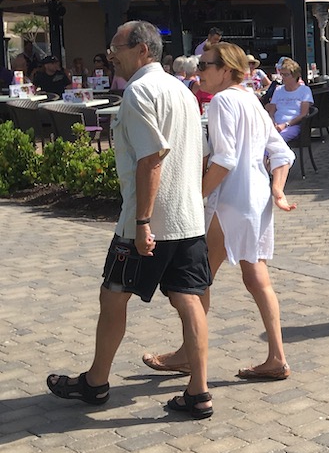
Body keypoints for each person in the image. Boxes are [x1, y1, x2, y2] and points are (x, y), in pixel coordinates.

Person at [46, 21, 213, 418]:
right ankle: (199, 391)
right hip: (189, 218)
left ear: (141, 50)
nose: (109, 54)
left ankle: (96, 382)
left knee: (113, 297)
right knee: (189, 300)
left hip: (150, 222)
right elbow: (198, 153)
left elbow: (151, 157)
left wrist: (141, 223)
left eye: (115, 47)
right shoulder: (183, 90)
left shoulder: (139, 91)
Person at [143, 42, 296, 382]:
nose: (199, 72)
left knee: (196, 278)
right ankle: (276, 356)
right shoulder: (251, 101)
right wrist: (276, 189)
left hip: (230, 202)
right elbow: (283, 154)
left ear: (225, 69)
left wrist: (194, 196)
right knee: (254, 278)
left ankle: (189, 354)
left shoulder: (224, 101)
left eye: (205, 65)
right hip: (254, 199)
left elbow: (224, 159)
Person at [265, 58, 313, 142]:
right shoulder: (278, 90)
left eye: (286, 75)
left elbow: (303, 114)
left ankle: (267, 155)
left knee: (275, 141)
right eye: (281, 74)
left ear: (295, 76)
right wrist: (272, 123)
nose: (282, 77)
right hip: (275, 125)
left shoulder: (304, 90)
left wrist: (285, 124)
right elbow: (271, 112)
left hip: (293, 125)